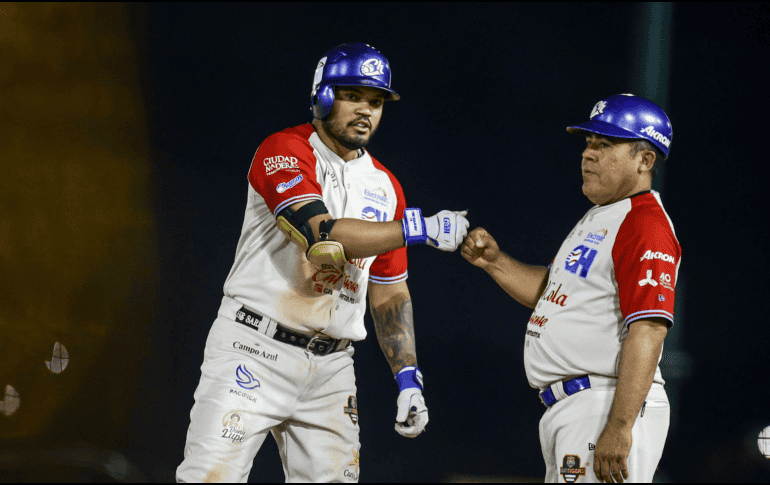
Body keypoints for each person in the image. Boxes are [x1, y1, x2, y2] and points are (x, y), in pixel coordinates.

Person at [176, 43, 469, 483]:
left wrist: (408, 375)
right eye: (353, 96)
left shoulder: (386, 186)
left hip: (331, 366)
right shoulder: (284, 149)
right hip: (253, 347)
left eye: (375, 101)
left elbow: (389, 289)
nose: (366, 110)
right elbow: (320, 234)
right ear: (324, 96)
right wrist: (416, 228)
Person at [462, 94, 680, 483]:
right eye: (589, 142)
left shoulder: (644, 223)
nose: (588, 154)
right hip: (575, 406)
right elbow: (554, 294)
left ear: (645, 161)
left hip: (605, 403)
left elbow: (649, 328)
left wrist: (620, 425)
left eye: (606, 145)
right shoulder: (602, 216)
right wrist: (494, 262)